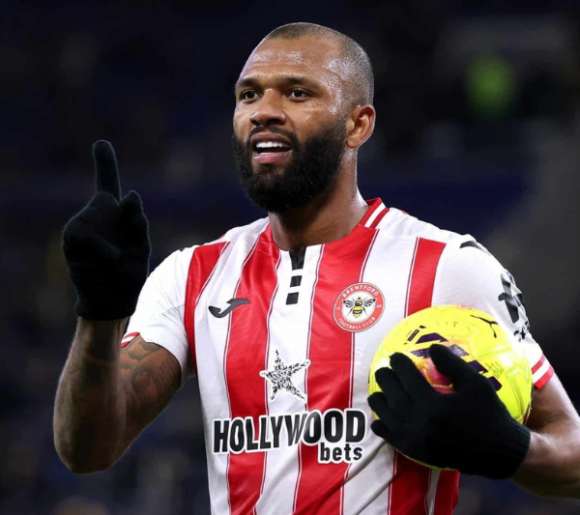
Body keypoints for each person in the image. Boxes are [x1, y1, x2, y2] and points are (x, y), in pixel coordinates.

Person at [53, 22, 580, 515]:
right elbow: (88, 449)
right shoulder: (190, 275)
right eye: (249, 95)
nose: (264, 110)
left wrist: (509, 448)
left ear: (358, 125)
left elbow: (572, 452)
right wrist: (99, 314)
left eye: (297, 93)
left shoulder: (449, 266)